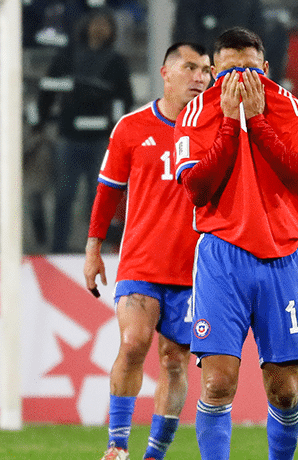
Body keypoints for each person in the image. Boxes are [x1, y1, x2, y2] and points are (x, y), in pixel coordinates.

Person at [173, 27, 298, 460]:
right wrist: (227, 120)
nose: (238, 79)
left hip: (282, 255)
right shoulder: (197, 112)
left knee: (282, 389)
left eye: (248, 69)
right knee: (218, 382)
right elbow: (198, 189)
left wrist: (256, 122)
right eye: (228, 71)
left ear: (266, 70)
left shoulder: (292, 109)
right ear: (213, 71)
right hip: (222, 255)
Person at [84, 42, 211, 460]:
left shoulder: (214, 129)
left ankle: (154, 455)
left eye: (206, 70)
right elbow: (108, 190)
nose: (200, 77)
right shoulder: (132, 127)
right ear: (166, 72)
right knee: (134, 343)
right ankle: (117, 447)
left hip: (194, 269)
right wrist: (93, 247)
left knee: (175, 361)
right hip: (140, 261)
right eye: (190, 67)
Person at [36, 7, 133, 252]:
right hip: (69, 135)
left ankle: (94, 249)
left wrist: (117, 130)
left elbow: (125, 98)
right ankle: (59, 248)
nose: (100, 28)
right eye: (96, 23)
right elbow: (46, 92)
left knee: (98, 198)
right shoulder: (67, 57)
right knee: (64, 196)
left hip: (101, 139)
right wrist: (40, 121)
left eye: (105, 24)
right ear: (86, 26)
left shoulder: (117, 62)